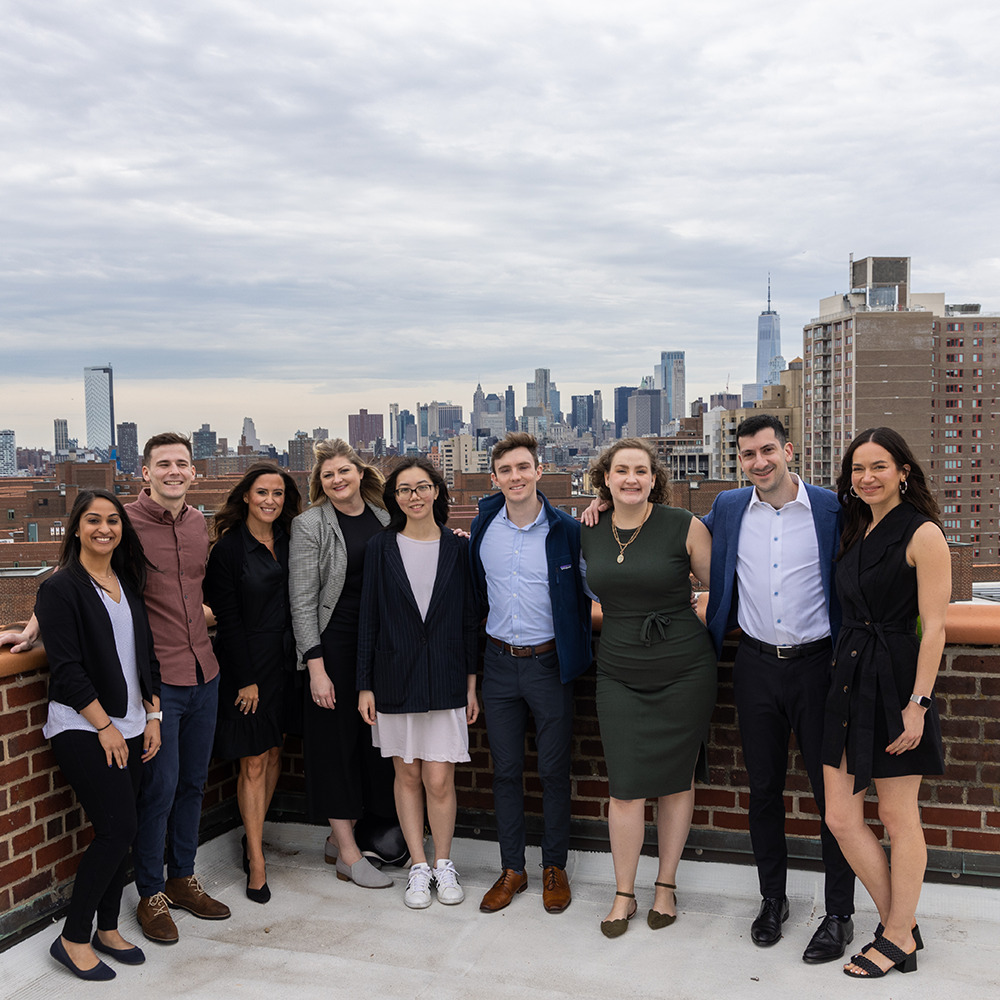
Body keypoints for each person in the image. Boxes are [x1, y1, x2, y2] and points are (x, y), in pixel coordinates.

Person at [5, 433, 231, 944]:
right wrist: (33, 627)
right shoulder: (123, 522)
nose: (175, 471)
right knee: (159, 791)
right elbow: (75, 570)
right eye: (163, 464)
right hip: (158, 684)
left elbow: (193, 588)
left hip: (203, 671)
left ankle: (182, 877)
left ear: (194, 471)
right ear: (145, 472)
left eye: (183, 463)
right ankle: (150, 892)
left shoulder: (199, 524)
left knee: (193, 784)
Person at [703, 414, 856, 963]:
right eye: (747, 455)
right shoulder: (726, 509)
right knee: (763, 790)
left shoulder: (830, 508)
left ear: (789, 450)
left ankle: (839, 913)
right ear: (738, 461)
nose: (759, 462)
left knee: (831, 797)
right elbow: (667, 529)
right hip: (756, 666)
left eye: (767, 450)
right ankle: (773, 899)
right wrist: (600, 508)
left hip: (820, 666)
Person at [821, 428, 948, 979]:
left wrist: (918, 703)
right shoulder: (854, 526)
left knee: (898, 817)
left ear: (903, 471)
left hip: (897, 680)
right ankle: (901, 923)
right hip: (847, 677)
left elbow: (936, 628)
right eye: (857, 469)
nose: (866, 477)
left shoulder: (923, 534)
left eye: (879, 466)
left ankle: (896, 935)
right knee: (841, 817)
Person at [581, 439, 716, 938]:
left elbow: (720, 588)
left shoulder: (684, 525)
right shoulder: (589, 529)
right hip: (617, 669)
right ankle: (623, 893)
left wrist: (688, 620)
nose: (632, 478)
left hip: (683, 668)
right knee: (625, 786)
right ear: (606, 479)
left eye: (641, 470)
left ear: (654, 478)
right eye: (621, 471)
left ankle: (666, 886)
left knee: (677, 780)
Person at [36, 489, 161, 981]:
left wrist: (153, 716)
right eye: (93, 520)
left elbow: (145, 655)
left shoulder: (125, 582)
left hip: (132, 725)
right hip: (84, 727)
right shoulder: (60, 588)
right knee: (116, 831)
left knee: (123, 831)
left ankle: (108, 927)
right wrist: (105, 727)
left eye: (113, 520)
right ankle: (72, 937)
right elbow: (66, 670)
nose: (104, 528)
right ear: (76, 528)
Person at [469, 432, 592, 915]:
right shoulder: (483, 527)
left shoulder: (567, 530)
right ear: (494, 478)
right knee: (504, 772)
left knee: (554, 771)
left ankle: (554, 866)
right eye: (506, 471)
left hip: (549, 664)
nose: (516, 477)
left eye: (524, 467)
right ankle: (513, 868)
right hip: (498, 663)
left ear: (539, 471)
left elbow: (592, 590)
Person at [357, 458, 480, 909]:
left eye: (422, 487)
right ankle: (417, 866)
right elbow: (368, 618)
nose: (414, 496)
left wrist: (470, 684)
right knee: (406, 774)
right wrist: (364, 685)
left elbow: (469, 621)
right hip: (394, 677)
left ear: (436, 492)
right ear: (395, 497)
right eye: (404, 489)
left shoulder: (458, 548)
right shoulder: (380, 547)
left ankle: (444, 863)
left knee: (440, 777)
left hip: (446, 677)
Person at [288, 438, 397, 888]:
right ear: (320, 483)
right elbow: (301, 601)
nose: (337, 480)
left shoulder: (386, 516)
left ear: (360, 473)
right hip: (332, 647)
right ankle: (348, 856)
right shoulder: (310, 524)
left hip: (378, 647)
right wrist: (315, 666)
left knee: (372, 745)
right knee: (335, 745)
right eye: (327, 475)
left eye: (343, 472)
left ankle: (345, 835)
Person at [205, 463, 302, 905]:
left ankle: (252, 837)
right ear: (246, 496)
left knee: (276, 748)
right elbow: (226, 620)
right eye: (262, 492)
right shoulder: (228, 551)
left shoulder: (292, 539)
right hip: (249, 663)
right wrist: (245, 679)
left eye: (278, 493)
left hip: (290, 661)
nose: (270, 500)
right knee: (254, 760)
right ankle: (257, 859)